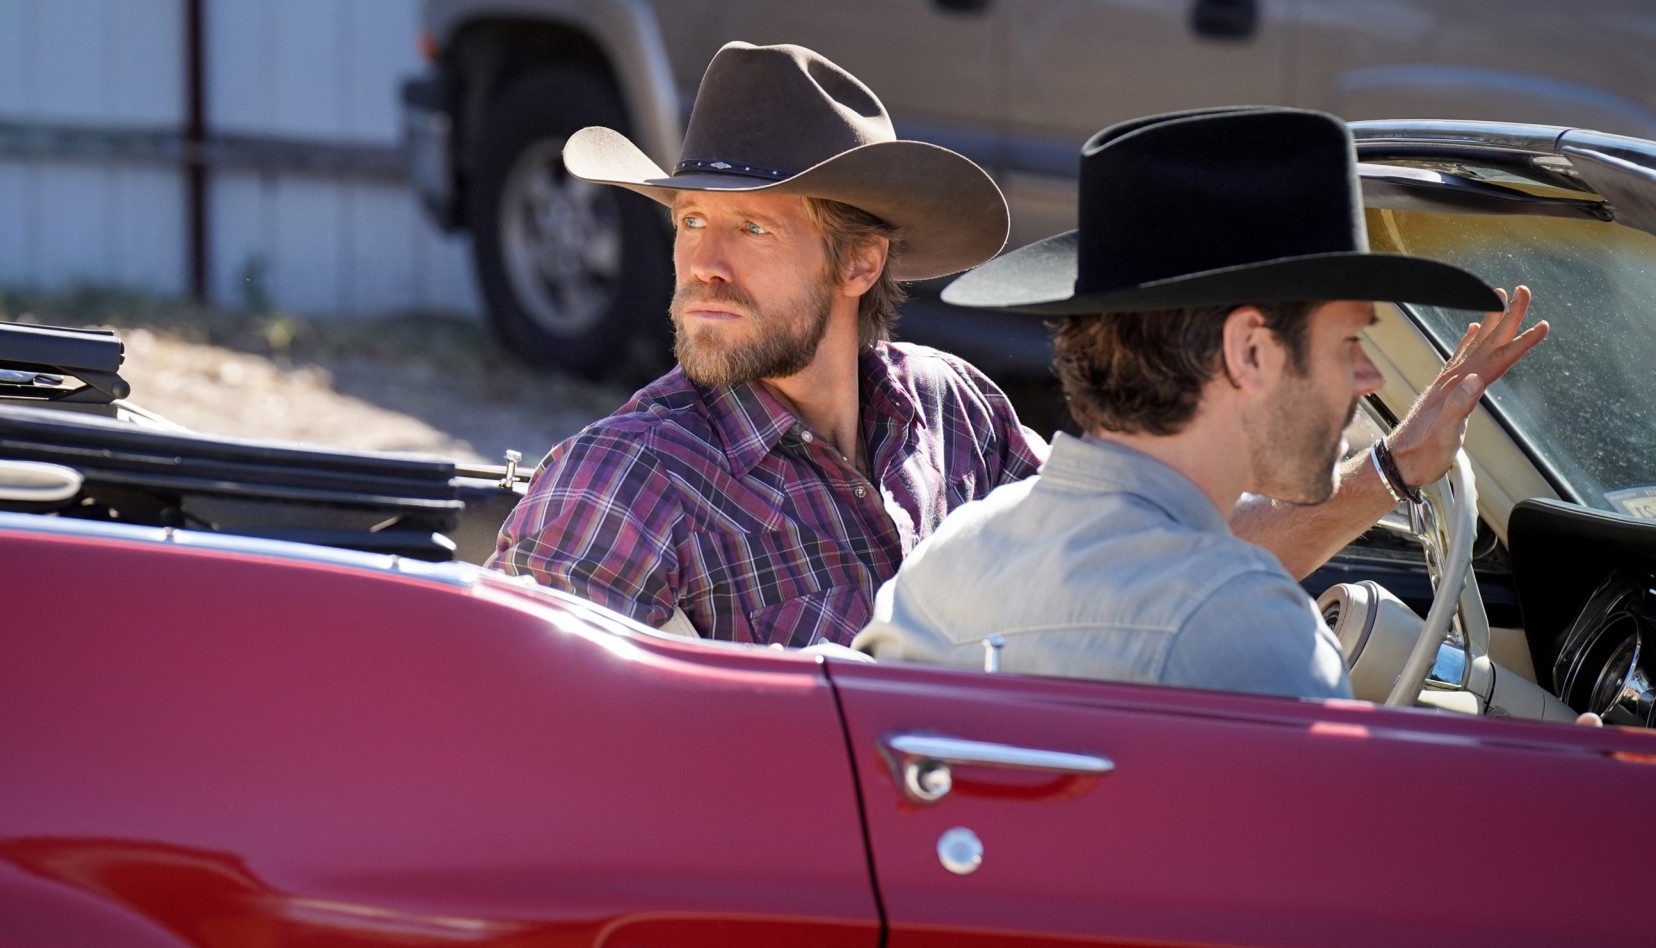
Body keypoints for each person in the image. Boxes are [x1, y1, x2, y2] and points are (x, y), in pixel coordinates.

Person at [490, 43, 1525, 651]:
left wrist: (1391, 471)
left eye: (751, 228)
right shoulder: (624, 483)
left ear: (861, 264)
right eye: (689, 221)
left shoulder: (954, 408)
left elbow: (1145, 569)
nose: (702, 265)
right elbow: (515, 752)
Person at [854, 107, 1548, 697]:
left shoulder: (947, 564)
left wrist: (1393, 467)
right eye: (1347, 341)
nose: (1366, 377)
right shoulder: (1253, 633)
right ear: (1250, 350)